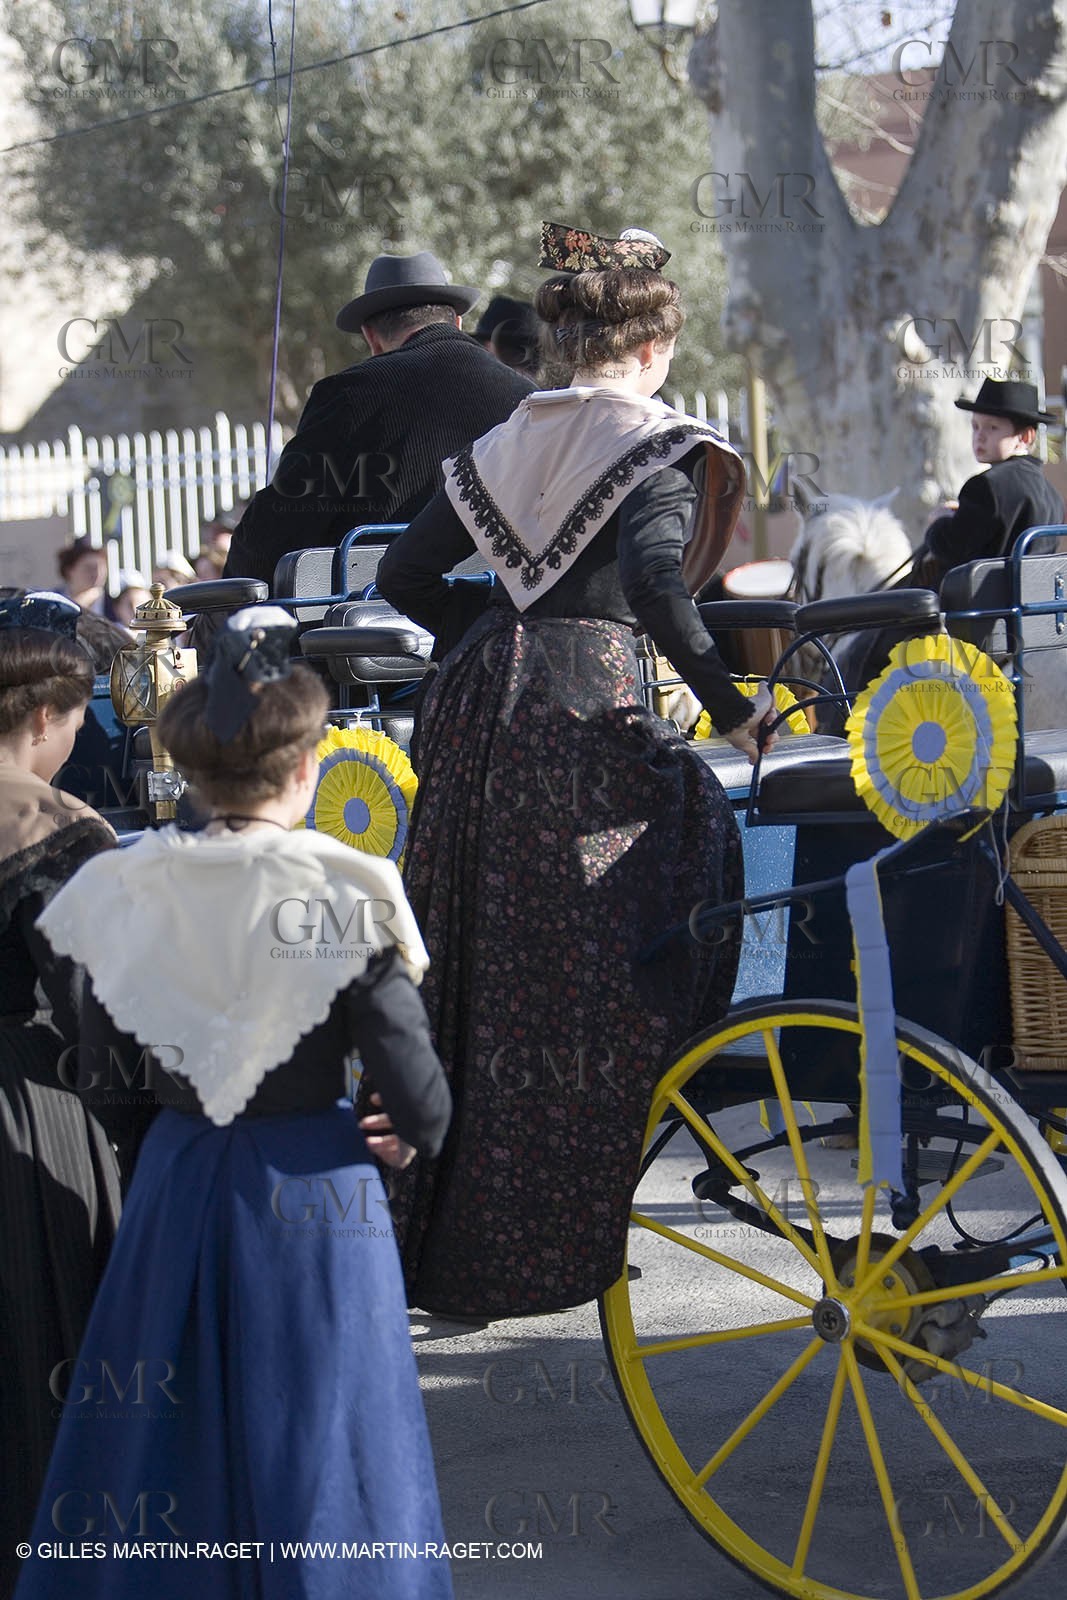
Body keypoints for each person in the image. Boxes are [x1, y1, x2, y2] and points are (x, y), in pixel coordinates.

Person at [372, 221, 771, 1322]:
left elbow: (404, 575)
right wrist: (738, 710)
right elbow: (656, 583)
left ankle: (443, 1247)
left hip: (472, 721)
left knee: (470, 967)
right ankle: (559, 1227)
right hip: (585, 715)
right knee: (649, 911)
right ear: (649, 349)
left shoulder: (503, 440)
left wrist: (484, 630)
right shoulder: (656, 442)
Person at [17, 610, 454, 1600]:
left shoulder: (124, 885)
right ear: (302, 772)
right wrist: (395, 1131)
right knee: (322, 1431)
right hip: (316, 1189)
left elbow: (100, 1066)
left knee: (173, 1436)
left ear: (192, 769)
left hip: (177, 1177)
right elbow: (416, 1088)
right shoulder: (345, 886)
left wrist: (163, 1137)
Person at [0, 592, 122, 1594]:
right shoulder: (55, 826)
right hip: (27, 1113)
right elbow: (102, 1013)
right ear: (43, 716)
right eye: (77, 717)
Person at [223, 252, 534, 587]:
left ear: (370, 336)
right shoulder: (525, 394)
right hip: (496, 602)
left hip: (374, 614)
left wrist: (225, 601)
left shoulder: (347, 393)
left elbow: (280, 522)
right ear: (457, 322)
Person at [914, 378, 1065, 588]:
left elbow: (953, 548)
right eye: (975, 426)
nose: (980, 437)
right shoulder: (1052, 495)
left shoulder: (985, 486)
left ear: (1025, 437)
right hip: (1032, 609)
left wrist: (939, 522)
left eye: (992, 428)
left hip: (981, 609)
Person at [55, 535, 108, 614]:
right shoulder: (53, 601)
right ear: (69, 570)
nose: (97, 574)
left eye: (101, 568)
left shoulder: (115, 607)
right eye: (88, 568)